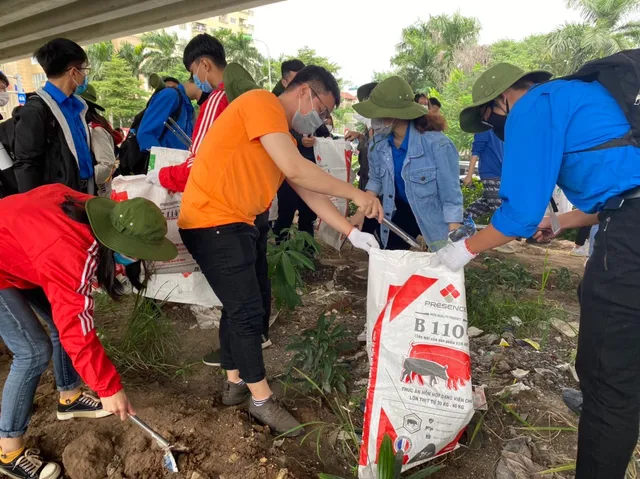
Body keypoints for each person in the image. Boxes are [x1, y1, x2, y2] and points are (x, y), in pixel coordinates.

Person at [434, 62, 640, 479]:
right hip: (624, 215)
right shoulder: (584, 97)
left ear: (501, 102)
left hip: (631, 232)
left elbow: (520, 216)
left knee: (607, 377)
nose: (494, 127)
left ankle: (610, 409)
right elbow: (617, 188)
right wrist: (561, 221)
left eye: (491, 119)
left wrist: (463, 251)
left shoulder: (534, 105)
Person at [178, 65, 382, 436]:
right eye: (322, 110)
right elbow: (297, 170)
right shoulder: (261, 104)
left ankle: (235, 382)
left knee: (241, 303)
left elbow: (306, 188)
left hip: (239, 222)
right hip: (214, 221)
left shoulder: (278, 132)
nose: (322, 120)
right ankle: (261, 400)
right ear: (305, 91)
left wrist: (350, 232)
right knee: (247, 310)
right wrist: (357, 193)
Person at [0, 183, 177, 479]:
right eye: (136, 253)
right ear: (118, 244)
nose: (137, 259)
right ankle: (9, 450)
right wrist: (108, 387)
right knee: (32, 351)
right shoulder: (70, 253)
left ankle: (69, 397)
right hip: (9, 261)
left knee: (60, 321)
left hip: (22, 252)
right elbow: (76, 328)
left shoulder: (100, 215)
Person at [350, 76, 463, 252]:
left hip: (432, 211)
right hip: (399, 207)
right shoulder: (378, 144)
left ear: (395, 115)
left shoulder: (437, 145)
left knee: (440, 266)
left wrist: (454, 239)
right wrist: (360, 213)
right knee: (391, 254)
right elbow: (375, 181)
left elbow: (451, 197)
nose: (374, 119)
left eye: (377, 113)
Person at [146, 34, 229, 193]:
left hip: (210, 193)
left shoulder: (217, 99)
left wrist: (163, 175)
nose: (195, 78)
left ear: (204, 64)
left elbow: (200, 163)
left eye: (193, 71)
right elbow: (146, 133)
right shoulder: (243, 95)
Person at [12, 38, 94, 194]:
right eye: (84, 69)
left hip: (82, 192)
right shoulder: (36, 110)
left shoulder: (77, 106)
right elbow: (27, 165)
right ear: (74, 72)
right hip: (57, 200)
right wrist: (37, 208)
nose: (85, 75)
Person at [272, 117, 332, 241]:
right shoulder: (288, 118)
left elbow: (327, 137)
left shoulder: (314, 119)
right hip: (289, 171)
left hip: (310, 171)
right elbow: (279, 136)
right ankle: (282, 248)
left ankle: (307, 251)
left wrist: (316, 140)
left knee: (308, 215)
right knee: (286, 212)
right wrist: (300, 140)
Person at [80, 84, 123, 198]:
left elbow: (107, 164)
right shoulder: (84, 128)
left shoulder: (96, 130)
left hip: (97, 195)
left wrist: (83, 178)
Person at [136, 77, 195, 152]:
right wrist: (160, 160)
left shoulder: (187, 106)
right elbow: (145, 134)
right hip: (165, 160)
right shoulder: (170, 95)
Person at [346, 82, 377, 192]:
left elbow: (376, 151)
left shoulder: (383, 127)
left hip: (376, 188)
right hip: (365, 182)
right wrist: (360, 136)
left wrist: (371, 126)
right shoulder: (369, 126)